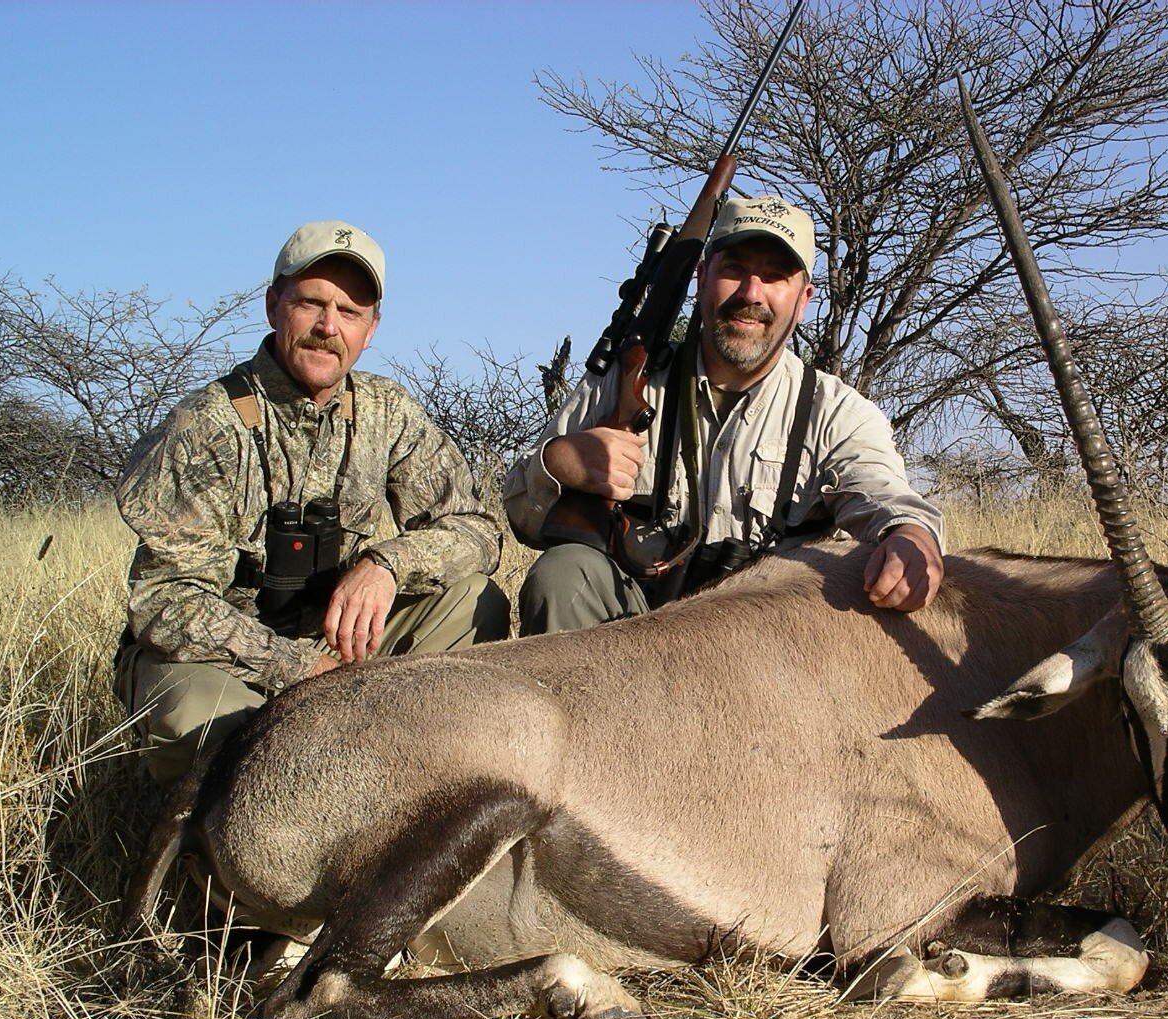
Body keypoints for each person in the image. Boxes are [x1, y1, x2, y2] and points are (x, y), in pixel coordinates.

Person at [115, 220, 509, 786]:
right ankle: (209, 861)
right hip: (227, 660)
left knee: (475, 600)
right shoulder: (204, 425)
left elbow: (477, 531)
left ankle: (423, 796)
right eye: (311, 304)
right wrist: (302, 669)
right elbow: (165, 603)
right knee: (208, 727)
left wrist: (387, 564)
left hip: (340, 645)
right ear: (275, 306)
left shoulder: (387, 410)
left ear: (372, 328)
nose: (329, 327)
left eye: (350, 312)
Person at [503, 195, 944, 634]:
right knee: (563, 574)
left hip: (765, 651)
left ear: (803, 298)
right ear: (701, 277)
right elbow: (522, 516)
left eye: (774, 277)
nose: (751, 294)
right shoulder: (623, 378)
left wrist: (910, 534)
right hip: (629, 639)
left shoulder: (839, 413)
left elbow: (881, 493)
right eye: (734, 269)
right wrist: (560, 462)